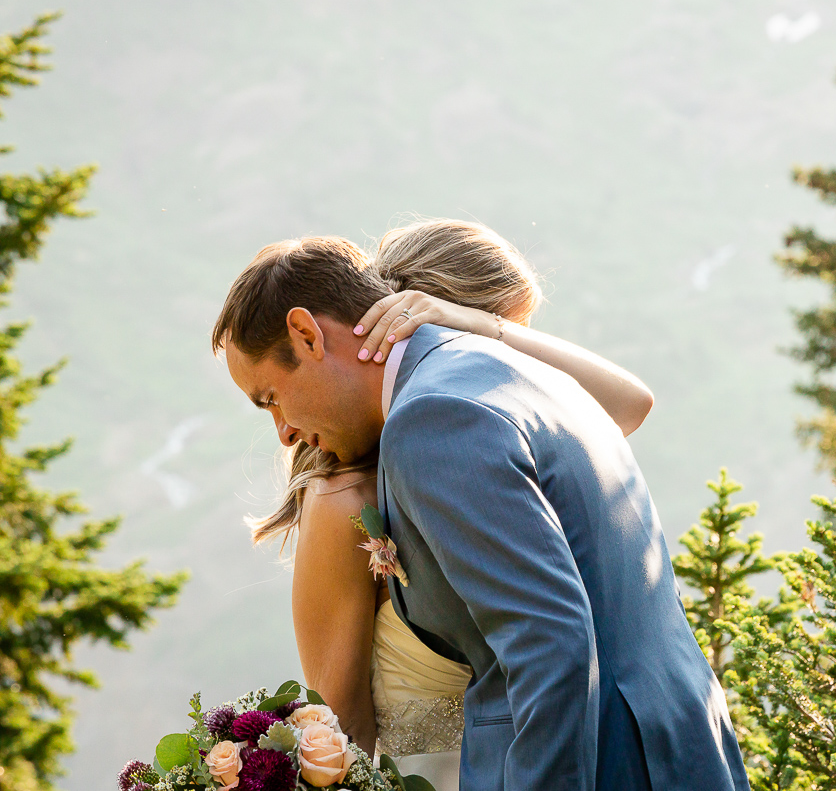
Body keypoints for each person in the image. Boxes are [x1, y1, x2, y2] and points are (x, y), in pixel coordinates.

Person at [214, 231, 751, 791]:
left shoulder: (433, 419)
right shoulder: (507, 369)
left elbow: (549, 642)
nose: (282, 432)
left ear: (305, 335)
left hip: (606, 761)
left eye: (271, 396)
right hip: (677, 744)